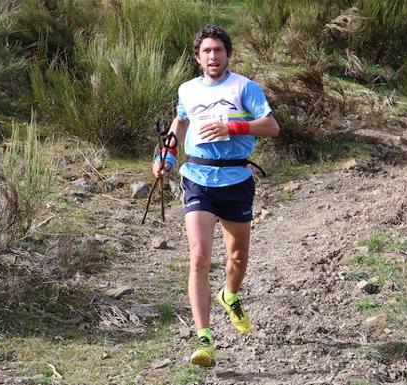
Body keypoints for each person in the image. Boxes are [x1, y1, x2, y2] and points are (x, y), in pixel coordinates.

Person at [152, 25, 280, 367]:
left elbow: (271, 127)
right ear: (197, 57)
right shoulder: (187, 90)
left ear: (228, 55)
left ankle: (230, 294)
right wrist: (165, 155)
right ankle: (204, 338)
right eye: (206, 51)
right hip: (197, 179)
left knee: (237, 258)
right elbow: (180, 124)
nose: (213, 56)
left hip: (237, 181)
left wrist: (234, 127)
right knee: (199, 258)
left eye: (218, 51)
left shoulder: (244, 88)